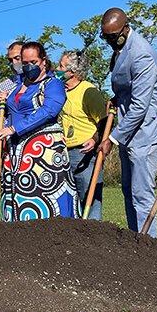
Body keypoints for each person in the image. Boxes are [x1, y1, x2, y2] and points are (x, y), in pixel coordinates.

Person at [97, 8, 157, 238]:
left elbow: (140, 106)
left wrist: (111, 138)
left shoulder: (142, 54)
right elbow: (128, 89)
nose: (110, 41)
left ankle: (147, 246)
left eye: (113, 36)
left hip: (146, 132)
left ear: (125, 28)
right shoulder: (121, 49)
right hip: (129, 129)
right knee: (128, 191)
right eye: (106, 37)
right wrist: (117, 98)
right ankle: (134, 241)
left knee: (141, 194)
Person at [0, 41, 78, 221]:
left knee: (43, 197)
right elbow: (13, 109)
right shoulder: (18, 85)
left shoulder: (53, 84)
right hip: (16, 151)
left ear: (43, 61)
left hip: (42, 153)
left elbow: (48, 110)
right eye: (25, 63)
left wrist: (14, 128)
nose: (28, 66)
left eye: (33, 62)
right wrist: (3, 101)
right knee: (16, 198)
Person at [56, 50, 108, 220]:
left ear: (72, 72)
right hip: (63, 152)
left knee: (89, 200)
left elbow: (105, 120)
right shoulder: (59, 91)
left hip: (83, 153)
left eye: (61, 66)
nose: (57, 69)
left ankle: (93, 238)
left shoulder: (88, 91)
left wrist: (95, 139)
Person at [0, 41, 25, 147]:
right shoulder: (5, 86)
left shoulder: (39, 82)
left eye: (17, 58)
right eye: (10, 60)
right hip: (12, 141)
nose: (14, 63)